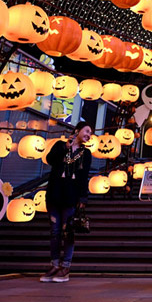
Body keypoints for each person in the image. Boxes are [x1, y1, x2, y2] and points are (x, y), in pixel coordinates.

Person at [41, 121, 93, 283]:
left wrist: (83, 198)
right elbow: (50, 160)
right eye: (86, 131)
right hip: (55, 194)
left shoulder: (86, 153)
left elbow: (84, 177)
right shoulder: (60, 146)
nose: (88, 135)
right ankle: (55, 265)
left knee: (67, 231)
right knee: (55, 232)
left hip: (71, 197)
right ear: (77, 131)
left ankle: (66, 267)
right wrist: (65, 147)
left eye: (90, 133)